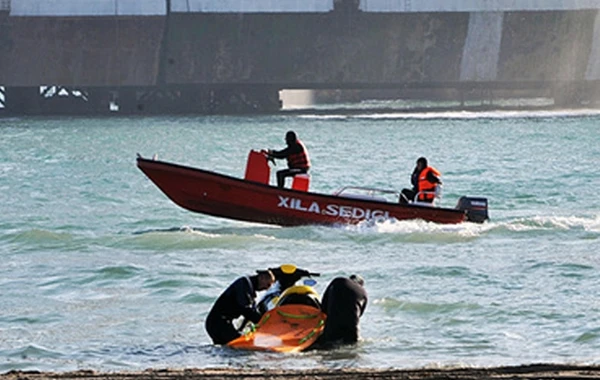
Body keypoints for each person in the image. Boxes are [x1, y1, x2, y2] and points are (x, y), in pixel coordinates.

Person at [205, 269, 275, 345]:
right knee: (239, 346)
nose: (267, 289)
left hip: (220, 323)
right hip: (217, 323)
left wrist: (242, 329)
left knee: (225, 348)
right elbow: (245, 309)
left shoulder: (250, 289)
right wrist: (264, 322)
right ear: (262, 278)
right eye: (268, 285)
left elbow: (248, 313)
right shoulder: (243, 284)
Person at [317, 274, 368, 346]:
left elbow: (324, 304)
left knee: (327, 346)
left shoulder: (339, 281)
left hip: (333, 325)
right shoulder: (364, 293)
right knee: (350, 350)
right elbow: (359, 314)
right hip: (352, 328)